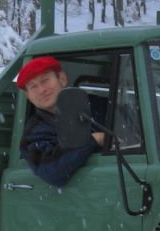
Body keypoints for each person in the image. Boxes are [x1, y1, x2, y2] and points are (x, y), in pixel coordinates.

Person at [17, 56, 105, 187]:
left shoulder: (99, 105)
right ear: (28, 96)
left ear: (62, 79)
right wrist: (94, 140)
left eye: (45, 80)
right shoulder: (34, 134)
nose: (42, 90)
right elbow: (51, 170)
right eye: (33, 86)